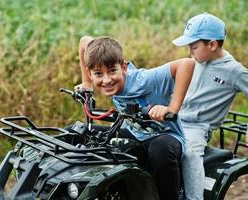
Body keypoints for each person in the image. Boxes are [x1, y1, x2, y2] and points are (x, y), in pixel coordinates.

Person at [76, 36, 195, 200]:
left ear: (123, 68)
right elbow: (84, 42)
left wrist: (172, 108)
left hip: (166, 137)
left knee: (160, 149)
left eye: (112, 71)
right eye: (98, 74)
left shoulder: (144, 80)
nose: (106, 80)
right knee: (77, 132)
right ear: (91, 73)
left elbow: (186, 64)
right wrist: (86, 83)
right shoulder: (102, 70)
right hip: (135, 133)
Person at [172, 12, 248, 200]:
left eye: (194, 47)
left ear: (212, 45)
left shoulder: (234, 71)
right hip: (175, 117)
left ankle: (194, 197)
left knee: (190, 154)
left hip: (197, 127)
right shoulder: (196, 61)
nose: (190, 53)